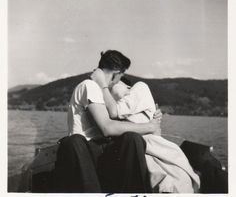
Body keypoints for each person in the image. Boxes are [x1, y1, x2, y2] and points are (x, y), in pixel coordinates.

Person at [53, 50, 161, 193]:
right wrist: (150, 126)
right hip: (86, 152)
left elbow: (117, 115)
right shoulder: (89, 86)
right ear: (117, 71)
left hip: (100, 151)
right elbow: (107, 128)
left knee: (132, 139)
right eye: (122, 75)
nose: (119, 80)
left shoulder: (101, 92)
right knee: (77, 140)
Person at [91, 69, 201, 193]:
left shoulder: (139, 88)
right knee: (169, 175)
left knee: (171, 175)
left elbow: (116, 111)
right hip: (133, 145)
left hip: (144, 144)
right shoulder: (103, 103)